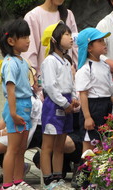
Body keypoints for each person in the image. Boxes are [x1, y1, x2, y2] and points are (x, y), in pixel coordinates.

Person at [75, 27, 113, 153]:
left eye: (103, 40)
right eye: (99, 41)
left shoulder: (105, 66)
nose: (104, 43)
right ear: (89, 48)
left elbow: (106, 91)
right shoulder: (85, 69)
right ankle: (85, 171)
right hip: (92, 107)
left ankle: (101, 170)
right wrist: (87, 117)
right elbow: (83, 94)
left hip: (106, 106)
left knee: (104, 142)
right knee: (90, 143)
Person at [40, 21, 79, 189]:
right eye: (66, 34)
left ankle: (58, 178)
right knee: (48, 145)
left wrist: (74, 99)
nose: (71, 38)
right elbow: (50, 86)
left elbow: (72, 83)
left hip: (66, 104)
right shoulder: (50, 61)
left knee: (60, 145)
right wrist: (64, 104)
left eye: (70, 34)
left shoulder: (65, 60)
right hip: (54, 105)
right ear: (54, 39)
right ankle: (48, 180)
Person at [0, 18, 35, 190]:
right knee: (12, 148)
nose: (28, 40)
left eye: (28, 36)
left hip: (25, 106)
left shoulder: (21, 61)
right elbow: (10, 91)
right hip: (17, 107)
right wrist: (12, 114)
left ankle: (18, 181)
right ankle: (7, 184)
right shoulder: (10, 63)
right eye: (24, 37)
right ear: (11, 41)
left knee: (21, 148)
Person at [23, 0, 78, 75]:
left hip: (68, 77)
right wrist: (32, 74)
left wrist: (77, 69)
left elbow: (75, 45)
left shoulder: (68, 15)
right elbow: (30, 50)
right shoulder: (33, 16)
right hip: (44, 79)